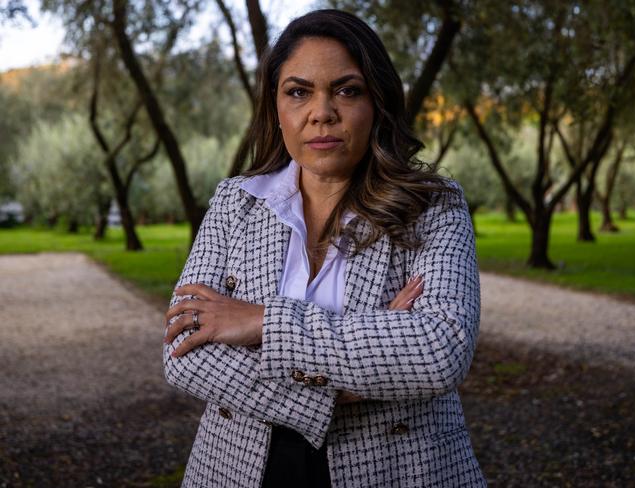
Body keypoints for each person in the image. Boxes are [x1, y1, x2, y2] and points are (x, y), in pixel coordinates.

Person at [163, 8, 486, 488]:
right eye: (298, 92)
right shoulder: (237, 202)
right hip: (237, 467)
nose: (321, 112)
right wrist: (339, 391)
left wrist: (261, 322)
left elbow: (439, 349)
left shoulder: (432, 206)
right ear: (276, 106)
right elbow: (182, 353)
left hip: (399, 469)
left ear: (377, 100)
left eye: (347, 90)